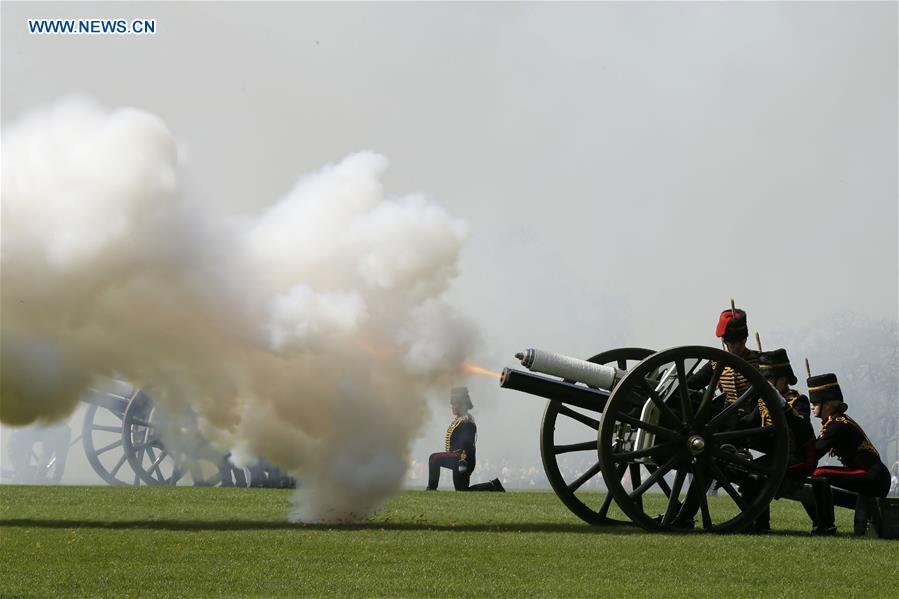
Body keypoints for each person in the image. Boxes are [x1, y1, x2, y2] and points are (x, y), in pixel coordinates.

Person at [803, 372, 890, 536]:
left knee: (819, 474)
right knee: (817, 475)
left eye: (815, 402)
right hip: (874, 476)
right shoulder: (837, 422)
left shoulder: (837, 426)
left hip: (872, 477)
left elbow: (814, 452)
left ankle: (825, 526)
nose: (812, 406)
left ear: (828, 405)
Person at [739, 349, 816, 532]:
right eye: (766, 379)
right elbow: (746, 424)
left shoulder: (798, 401)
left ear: (784, 379)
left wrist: (782, 406)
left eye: (772, 378)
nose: (769, 383)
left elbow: (803, 430)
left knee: (758, 474)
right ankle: (757, 524)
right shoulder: (763, 402)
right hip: (779, 457)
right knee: (747, 475)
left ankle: (761, 525)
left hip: (799, 458)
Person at [427, 387, 504, 492]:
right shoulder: (460, 420)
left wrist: (462, 461)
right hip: (459, 458)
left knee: (434, 458)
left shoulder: (466, 422)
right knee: (462, 490)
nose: (452, 407)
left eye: (455, 404)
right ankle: (493, 486)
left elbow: (466, 444)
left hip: (462, 458)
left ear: (462, 405)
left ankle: (431, 489)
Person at [688, 307, 760, 407]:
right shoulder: (716, 364)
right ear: (725, 342)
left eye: (740, 341)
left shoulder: (759, 360)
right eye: (733, 343)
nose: (737, 346)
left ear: (745, 339)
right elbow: (692, 383)